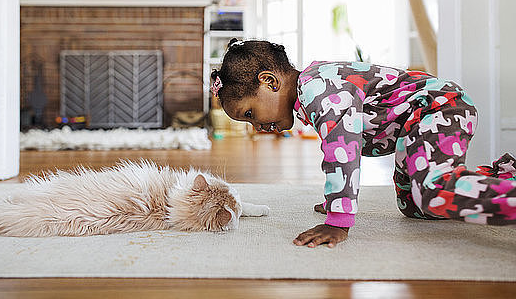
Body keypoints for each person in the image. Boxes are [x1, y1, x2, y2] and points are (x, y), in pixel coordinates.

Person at [210, 38, 516, 248]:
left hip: (439, 109)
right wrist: (335, 199)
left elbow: (342, 151)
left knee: (433, 192)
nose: (258, 127)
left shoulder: (318, 88)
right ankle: (504, 174)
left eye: (250, 113)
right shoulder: (310, 93)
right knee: (414, 206)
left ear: (270, 82)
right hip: (412, 129)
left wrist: (338, 218)